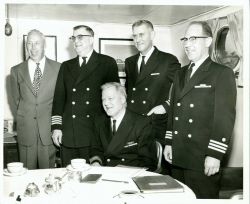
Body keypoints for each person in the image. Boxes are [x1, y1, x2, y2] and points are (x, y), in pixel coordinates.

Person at [163, 21, 237, 198]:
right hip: (178, 155)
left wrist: (215, 154)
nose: (187, 44)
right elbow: (174, 109)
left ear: (208, 41)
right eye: (185, 39)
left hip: (202, 157)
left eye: (194, 39)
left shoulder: (221, 73)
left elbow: (224, 118)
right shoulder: (180, 73)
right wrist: (169, 142)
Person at [51, 25, 119, 167]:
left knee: (94, 179)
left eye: (80, 37)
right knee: (69, 177)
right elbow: (59, 99)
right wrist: (56, 127)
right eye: (73, 37)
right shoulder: (66, 66)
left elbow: (114, 100)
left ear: (92, 39)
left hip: (94, 134)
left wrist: (112, 130)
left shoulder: (107, 63)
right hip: (69, 133)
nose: (76, 41)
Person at [10, 29, 61, 169]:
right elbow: (15, 101)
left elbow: (60, 101)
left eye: (37, 43)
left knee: (48, 175)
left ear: (44, 44)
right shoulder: (16, 71)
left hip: (48, 132)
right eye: (30, 43)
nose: (33, 48)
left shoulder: (59, 68)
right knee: (25, 175)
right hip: (26, 131)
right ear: (26, 46)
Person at [125, 20, 181, 145]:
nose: (137, 39)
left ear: (152, 35)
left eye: (141, 34)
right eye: (135, 36)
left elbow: (182, 89)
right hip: (133, 124)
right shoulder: (130, 62)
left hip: (155, 124)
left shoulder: (168, 60)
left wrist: (166, 106)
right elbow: (129, 92)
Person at [90, 82, 157, 171]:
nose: (106, 103)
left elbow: (148, 162)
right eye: (103, 99)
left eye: (110, 98)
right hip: (105, 173)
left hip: (130, 176)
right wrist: (96, 162)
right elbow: (96, 149)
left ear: (122, 99)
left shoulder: (142, 123)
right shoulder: (100, 121)